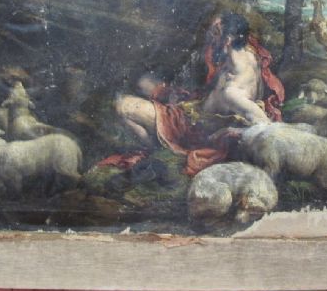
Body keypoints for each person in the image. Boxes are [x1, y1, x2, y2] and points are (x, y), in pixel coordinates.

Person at [115, 12, 284, 175]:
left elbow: (267, 127)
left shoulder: (232, 92)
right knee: (144, 82)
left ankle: (157, 150)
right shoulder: (248, 53)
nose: (209, 36)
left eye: (214, 33)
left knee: (122, 105)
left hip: (190, 130)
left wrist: (228, 131)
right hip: (194, 106)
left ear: (227, 40)